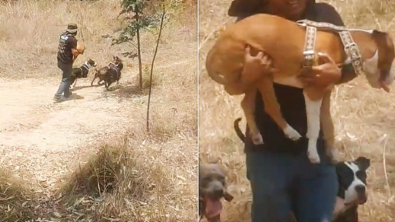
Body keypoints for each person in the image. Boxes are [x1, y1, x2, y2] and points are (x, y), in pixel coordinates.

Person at [227, 0, 357, 221]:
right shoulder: (250, 25)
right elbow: (231, 86)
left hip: (318, 151)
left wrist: (337, 75)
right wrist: (248, 75)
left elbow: (354, 63)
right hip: (268, 155)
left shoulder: (325, 15)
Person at [54, 23, 81, 102]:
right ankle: (57, 96)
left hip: (60, 60)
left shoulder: (62, 36)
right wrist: (79, 51)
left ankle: (67, 94)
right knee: (65, 79)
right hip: (66, 62)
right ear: (75, 31)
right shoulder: (72, 39)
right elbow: (74, 52)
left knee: (67, 76)